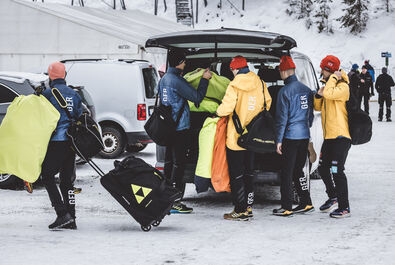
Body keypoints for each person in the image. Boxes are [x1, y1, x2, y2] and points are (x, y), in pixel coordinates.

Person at [216, 55, 272, 221]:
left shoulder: (234, 84)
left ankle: (239, 210)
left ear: (234, 69)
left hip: (236, 138)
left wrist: (217, 113)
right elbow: (267, 104)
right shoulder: (260, 83)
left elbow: (226, 108)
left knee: (236, 175)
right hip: (253, 137)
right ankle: (248, 207)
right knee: (249, 173)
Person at [160, 48, 212, 214]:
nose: (185, 64)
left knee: (169, 163)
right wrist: (204, 80)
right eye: (183, 61)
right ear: (178, 63)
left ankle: (165, 197)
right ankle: (175, 201)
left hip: (167, 127)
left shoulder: (164, 79)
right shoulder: (176, 80)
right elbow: (197, 98)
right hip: (180, 128)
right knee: (179, 164)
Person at [41, 62, 83, 229]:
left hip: (56, 141)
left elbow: (41, 119)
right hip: (71, 142)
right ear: (64, 75)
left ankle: (61, 213)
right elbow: (79, 114)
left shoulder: (47, 94)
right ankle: (71, 217)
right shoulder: (74, 93)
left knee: (47, 176)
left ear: (50, 76)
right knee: (67, 181)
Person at [273, 56, 314, 217]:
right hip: (304, 135)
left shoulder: (284, 91)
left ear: (284, 71)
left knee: (287, 172)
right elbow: (310, 116)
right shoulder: (306, 90)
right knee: (298, 170)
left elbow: (281, 119)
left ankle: (286, 206)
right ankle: (306, 202)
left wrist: (278, 140)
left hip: (290, 136)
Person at [314, 55, 352, 218]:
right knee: (322, 167)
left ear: (328, 70)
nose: (321, 72)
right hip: (329, 137)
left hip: (341, 137)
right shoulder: (329, 85)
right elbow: (318, 105)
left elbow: (329, 94)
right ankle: (333, 196)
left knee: (337, 170)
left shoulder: (343, 87)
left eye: (323, 69)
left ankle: (345, 207)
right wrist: (317, 95)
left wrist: (333, 80)